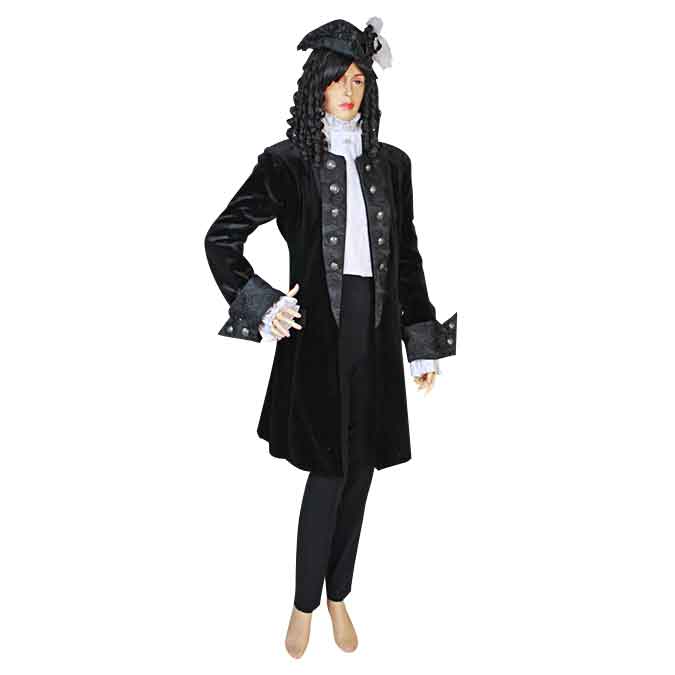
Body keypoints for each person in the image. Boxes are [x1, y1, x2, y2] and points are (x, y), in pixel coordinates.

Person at [204, 17, 458, 658]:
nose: (349, 91)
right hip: (318, 336)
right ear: (316, 85)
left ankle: (339, 592)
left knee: (362, 471)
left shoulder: (393, 165)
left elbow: (407, 259)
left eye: (359, 80)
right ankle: (303, 604)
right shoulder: (286, 163)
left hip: (376, 332)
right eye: (338, 79)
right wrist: (262, 303)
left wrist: (420, 341)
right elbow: (221, 238)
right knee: (328, 471)